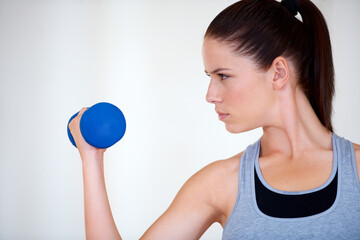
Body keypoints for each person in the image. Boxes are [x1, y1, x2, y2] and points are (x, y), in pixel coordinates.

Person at [69, 0, 360, 239]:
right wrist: (91, 158)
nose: (210, 95)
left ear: (279, 73)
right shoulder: (219, 183)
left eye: (223, 76)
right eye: (210, 77)